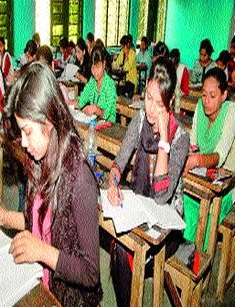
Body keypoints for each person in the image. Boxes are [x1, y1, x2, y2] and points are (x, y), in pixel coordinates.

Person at [0, 61, 102, 307]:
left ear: (48, 121)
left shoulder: (80, 179)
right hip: (41, 280)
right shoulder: (40, 160)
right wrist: (3, 216)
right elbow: (38, 223)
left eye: (27, 131)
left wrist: (42, 251)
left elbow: (91, 274)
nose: (24, 143)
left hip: (68, 299)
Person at [107, 57, 189, 307]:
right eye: (148, 98)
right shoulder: (140, 119)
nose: (151, 109)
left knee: (126, 248)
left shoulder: (180, 138)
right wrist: (112, 183)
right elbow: (119, 162)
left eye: (159, 102)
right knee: (119, 245)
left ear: (170, 102)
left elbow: (163, 196)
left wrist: (164, 138)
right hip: (140, 205)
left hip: (167, 225)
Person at [183, 67, 235, 251]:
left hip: (227, 185)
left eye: (213, 96)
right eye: (204, 95)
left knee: (210, 215)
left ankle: (199, 264)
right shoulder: (199, 106)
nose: (206, 101)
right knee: (187, 204)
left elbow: (219, 156)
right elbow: (193, 144)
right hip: (203, 176)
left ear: (224, 95)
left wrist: (196, 160)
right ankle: (185, 259)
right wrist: (191, 155)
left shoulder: (231, 112)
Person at [69, 45, 117, 122]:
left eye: (98, 67)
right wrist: (68, 102)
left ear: (104, 64)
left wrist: (96, 109)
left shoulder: (110, 85)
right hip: (94, 124)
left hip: (109, 128)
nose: (95, 72)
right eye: (93, 68)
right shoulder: (92, 81)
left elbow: (107, 114)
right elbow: (81, 101)